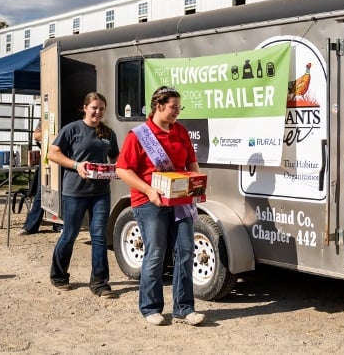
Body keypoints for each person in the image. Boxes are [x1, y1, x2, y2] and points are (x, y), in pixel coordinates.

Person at [116, 86, 205, 326]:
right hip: (149, 201)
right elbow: (122, 169)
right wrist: (148, 190)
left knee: (186, 250)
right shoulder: (139, 135)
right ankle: (150, 307)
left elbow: (191, 162)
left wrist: (197, 183)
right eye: (173, 107)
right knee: (155, 253)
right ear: (159, 106)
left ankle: (184, 308)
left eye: (179, 107)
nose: (177, 111)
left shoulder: (181, 131)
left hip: (180, 201)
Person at [47, 92, 120, 299]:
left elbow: (115, 155)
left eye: (102, 108)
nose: (98, 112)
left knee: (99, 236)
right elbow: (53, 153)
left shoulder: (108, 133)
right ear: (85, 108)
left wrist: (116, 168)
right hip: (75, 191)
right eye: (94, 107)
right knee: (70, 234)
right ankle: (59, 276)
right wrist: (77, 165)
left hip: (100, 193)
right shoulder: (72, 129)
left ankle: (100, 283)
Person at [19, 121, 44, 235]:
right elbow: (36, 135)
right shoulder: (43, 119)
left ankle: (59, 224)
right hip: (46, 160)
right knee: (41, 193)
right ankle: (30, 226)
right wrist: (50, 133)